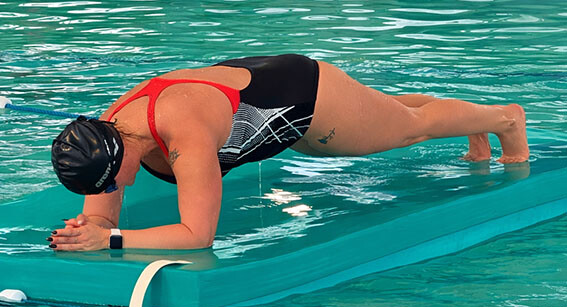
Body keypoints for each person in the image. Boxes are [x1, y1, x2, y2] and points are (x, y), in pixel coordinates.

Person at [49, 54, 529, 252]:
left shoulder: (184, 134)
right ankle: (475, 127)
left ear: (121, 157)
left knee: (405, 130)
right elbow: (102, 210)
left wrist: (112, 241)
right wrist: (90, 227)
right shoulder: (106, 135)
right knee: (387, 114)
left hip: (304, 98)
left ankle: (504, 120)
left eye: (113, 182)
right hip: (254, 98)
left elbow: (198, 236)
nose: (115, 190)